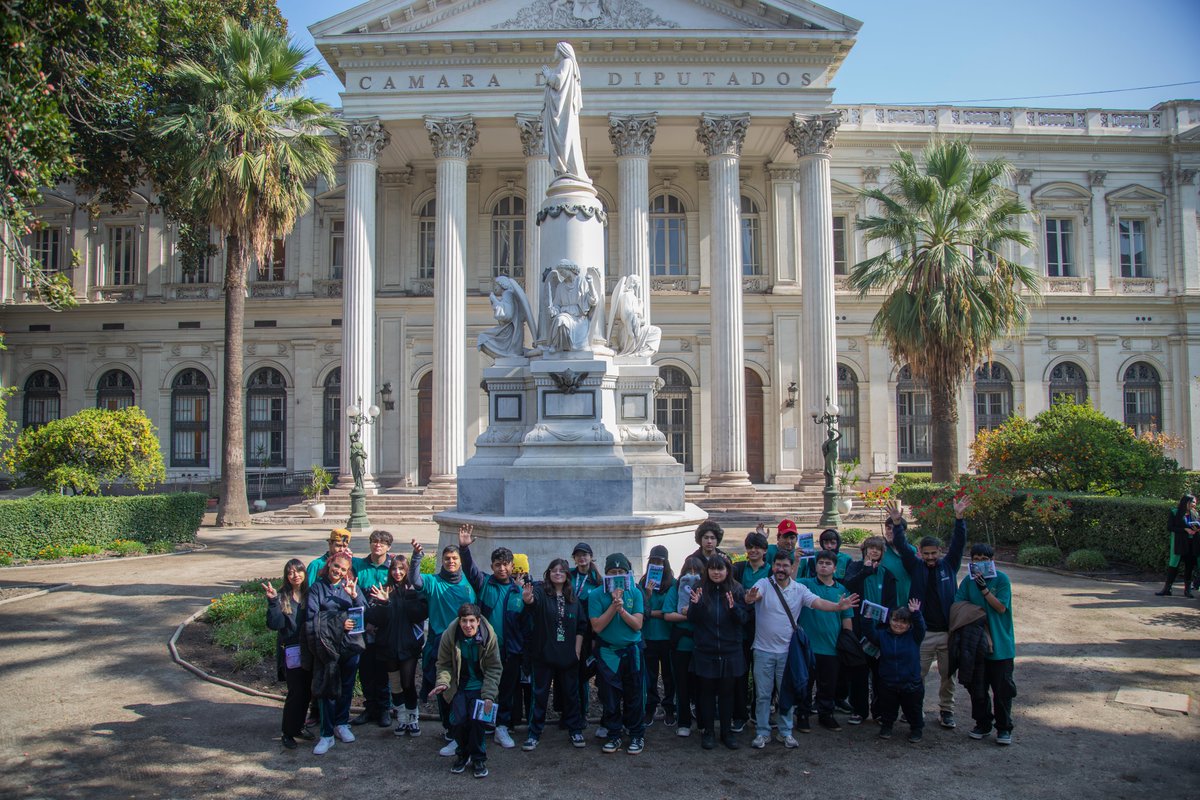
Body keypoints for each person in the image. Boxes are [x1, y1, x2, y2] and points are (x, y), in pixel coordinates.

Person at [743, 549, 859, 749]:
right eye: (777, 565)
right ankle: (762, 732)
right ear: (773, 566)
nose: (780, 569)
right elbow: (752, 596)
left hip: (788, 652)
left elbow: (818, 602)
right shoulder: (763, 584)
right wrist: (749, 598)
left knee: (786, 692)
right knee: (763, 694)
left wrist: (838, 607)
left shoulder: (799, 589)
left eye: (785, 566)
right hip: (763, 650)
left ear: (791, 568)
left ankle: (785, 731)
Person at [458, 529, 526, 749]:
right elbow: (469, 570)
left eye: (506, 564)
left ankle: (502, 726)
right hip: (485, 648)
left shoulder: (519, 591)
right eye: (498, 564)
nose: (502, 568)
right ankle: (485, 723)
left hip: (511, 649)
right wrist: (464, 548)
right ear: (492, 566)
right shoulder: (484, 583)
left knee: (507, 688)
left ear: (511, 566)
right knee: (487, 687)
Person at [419, 531, 479, 756]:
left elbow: (474, 570)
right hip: (441, 645)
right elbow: (414, 580)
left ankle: (462, 730)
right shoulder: (434, 581)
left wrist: (465, 548)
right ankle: (451, 730)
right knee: (444, 689)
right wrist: (416, 557)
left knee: (465, 689)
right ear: (442, 561)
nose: (451, 562)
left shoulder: (470, 581)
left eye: (455, 558)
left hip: (468, 645)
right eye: (447, 559)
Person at [913, 495, 969, 729]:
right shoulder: (916, 567)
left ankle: (946, 710)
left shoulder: (948, 565)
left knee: (948, 676)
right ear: (920, 552)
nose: (930, 557)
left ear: (939, 551)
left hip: (947, 632)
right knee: (918, 675)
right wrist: (896, 525)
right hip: (924, 633)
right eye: (926, 553)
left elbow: (958, 544)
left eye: (933, 553)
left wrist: (959, 518)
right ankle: (915, 709)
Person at [521, 558, 588, 750]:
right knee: (539, 694)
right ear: (549, 573)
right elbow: (532, 605)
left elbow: (581, 626)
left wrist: (576, 649)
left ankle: (575, 729)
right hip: (544, 653)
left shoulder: (573, 598)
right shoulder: (542, 592)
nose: (558, 573)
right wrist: (528, 599)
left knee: (571, 694)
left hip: (568, 654)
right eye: (554, 570)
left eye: (562, 570)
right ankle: (534, 732)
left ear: (567, 574)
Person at [432, 604, 503, 779]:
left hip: (480, 686)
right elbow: (444, 664)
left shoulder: (489, 636)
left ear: (478, 622)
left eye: (472, 621)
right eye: (464, 621)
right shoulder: (450, 635)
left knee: (478, 721)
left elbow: (494, 668)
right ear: (460, 621)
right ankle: (463, 754)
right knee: (459, 720)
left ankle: (479, 758)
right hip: (459, 686)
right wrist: (443, 682)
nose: (468, 625)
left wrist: (489, 696)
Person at [955, 542, 1016, 745]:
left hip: (1000, 645)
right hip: (975, 644)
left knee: (1002, 690)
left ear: (992, 560)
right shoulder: (967, 582)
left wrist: (984, 591)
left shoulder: (1002, 579)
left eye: (984, 559)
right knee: (977, 689)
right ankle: (983, 724)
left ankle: (1004, 727)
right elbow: (959, 605)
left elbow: (1000, 608)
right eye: (976, 559)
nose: (979, 563)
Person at [366, 545, 430, 737]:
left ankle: (413, 717)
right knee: (395, 684)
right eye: (394, 568)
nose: (397, 572)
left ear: (407, 570)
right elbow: (375, 619)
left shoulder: (415, 590)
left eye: (401, 568)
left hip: (408, 646)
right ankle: (402, 718)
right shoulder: (383, 590)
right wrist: (383, 603)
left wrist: (410, 596)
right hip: (388, 645)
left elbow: (419, 614)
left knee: (408, 682)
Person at [686, 554, 749, 750]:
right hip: (706, 649)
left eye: (720, 568)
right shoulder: (699, 589)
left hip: (730, 649)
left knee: (727, 693)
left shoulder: (736, 589)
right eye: (712, 568)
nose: (716, 572)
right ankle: (708, 732)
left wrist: (733, 609)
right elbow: (692, 619)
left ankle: (726, 732)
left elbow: (744, 619)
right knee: (705, 693)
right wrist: (695, 606)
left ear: (727, 570)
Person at [305, 552, 364, 755]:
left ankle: (341, 723)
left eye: (343, 569)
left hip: (349, 647)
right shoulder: (317, 588)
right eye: (336, 566)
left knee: (346, 687)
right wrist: (340, 621)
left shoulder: (350, 588)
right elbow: (312, 617)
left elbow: (363, 613)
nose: (338, 571)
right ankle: (326, 733)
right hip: (327, 647)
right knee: (328, 690)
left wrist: (355, 596)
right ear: (329, 564)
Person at [589, 552, 646, 755]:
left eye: (622, 571)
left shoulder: (635, 592)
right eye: (613, 572)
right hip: (608, 652)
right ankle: (614, 734)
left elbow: (637, 625)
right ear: (606, 575)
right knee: (610, 696)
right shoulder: (596, 595)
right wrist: (613, 606)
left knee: (635, 694)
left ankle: (636, 734)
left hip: (632, 650)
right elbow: (597, 626)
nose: (618, 575)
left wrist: (622, 610)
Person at [797, 550, 856, 732]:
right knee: (805, 684)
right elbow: (788, 584)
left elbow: (847, 619)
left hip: (831, 647)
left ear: (835, 568)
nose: (823, 565)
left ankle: (826, 715)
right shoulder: (805, 585)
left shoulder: (842, 590)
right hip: (808, 646)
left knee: (828, 685)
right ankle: (803, 715)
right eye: (820, 562)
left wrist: (846, 642)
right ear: (815, 566)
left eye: (828, 563)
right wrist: (797, 561)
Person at [265, 558, 311, 749]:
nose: (295, 575)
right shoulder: (282, 596)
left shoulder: (310, 594)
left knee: (307, 692)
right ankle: (287, 731)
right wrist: (272, 601)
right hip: (291, 650)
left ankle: (299, 726)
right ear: (286, 575)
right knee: (295, 693)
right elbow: (274, 624)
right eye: (291, 572)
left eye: (299, 571)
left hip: (309, 649)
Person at [866, 599, 927, 743]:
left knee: (913, 708)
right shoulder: (883, 635)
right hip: (888, 682)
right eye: (895, 620)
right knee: (887, 707)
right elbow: (870, 634)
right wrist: (868, 619)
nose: (898, 624)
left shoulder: (914, 636)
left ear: (909, 624)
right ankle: (887, 726)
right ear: (890, 620)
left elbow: (921, 628)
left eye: (903, 622)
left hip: (910, 682)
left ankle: (916, 728)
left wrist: (916, 613)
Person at [352, 529, 394, 728]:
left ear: (388, 547)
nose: (378, 545)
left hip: (384, 628)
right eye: (374, 541)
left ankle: (385, 708)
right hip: (363, 626)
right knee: (366, 669)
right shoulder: (358, 565)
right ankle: (370, 708)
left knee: (383, 669)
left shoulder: (392, 568)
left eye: (382, 542)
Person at [731, 532, 771, 731]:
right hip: (741, 627)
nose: (754, 550)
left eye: (758, 547)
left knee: (762, 673)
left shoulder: (772, 571)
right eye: (750, 546)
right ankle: (739, 713)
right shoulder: (738, 569)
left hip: (764, 628)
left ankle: (759, 712)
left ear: (765, 550)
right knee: (740, 671)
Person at [663, 556, 703, 738]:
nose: (693, 575)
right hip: (680, 645)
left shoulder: (707, 589)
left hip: (702, 645)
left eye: (697, 572)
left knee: (703, 685)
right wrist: (689, 616)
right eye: (689, 571)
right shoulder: (676, 588)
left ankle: (703, 721)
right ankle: (684, 721)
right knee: (682, 685)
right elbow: (668, 615)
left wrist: (694, 613)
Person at [540, 41, 589, 183]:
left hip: (563, 114)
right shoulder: (567, 64)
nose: (554, 53)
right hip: (559, 111)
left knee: (565, 141)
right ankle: (564, 170)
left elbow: (558, 82)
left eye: (556, 50)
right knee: (562, 142)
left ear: (561, 50)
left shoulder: (566, 62)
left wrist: (548, 75)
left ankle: (567, 169)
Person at [640, 545, 676, 728]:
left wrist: (652, 612)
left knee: (669, 675)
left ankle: (670, 707)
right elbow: (640, 609)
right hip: (649, 637)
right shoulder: (643, 582)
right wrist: (647, 594)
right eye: (653, 561)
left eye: (660, 561)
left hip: (667, 636)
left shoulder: (673, 583)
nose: (656, 564)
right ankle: (651, 706)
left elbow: (669, 611)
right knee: (650, 676)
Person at [569, 542, 603, 726]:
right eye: (578, 555)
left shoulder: (597, 580)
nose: (582, 558)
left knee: (584, 671)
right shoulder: (569, 577)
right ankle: (570, 711)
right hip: (569, 629)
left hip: (589, 631)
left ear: (591, 556)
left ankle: (583, 711)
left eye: (585, 554)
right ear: (574, 558)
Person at [478, 276, 535, 359]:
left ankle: (506, 355)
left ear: (502, 285)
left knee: (483, 338)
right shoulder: (509, 294)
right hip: (509, 330)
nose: (494, 287)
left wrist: (494, 300)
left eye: (496, 285)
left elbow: (508, 315)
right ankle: (506, 356)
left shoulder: (507, 294)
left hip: (509, 332)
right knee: (483, 338)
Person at [1156, 494, 1199, 598]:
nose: (1194, 504)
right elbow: (1170, 527)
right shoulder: (1175, 512)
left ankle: (1187, 590)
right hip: (1179, 543)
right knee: (1173, 566)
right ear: (1186, 502)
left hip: (1192, 543)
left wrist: (1196, 530)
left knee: (1189, 567)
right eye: (1192, 502)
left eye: (1195, 502)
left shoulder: (1195, 513)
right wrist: (1185, 530)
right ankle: (1167, 588)